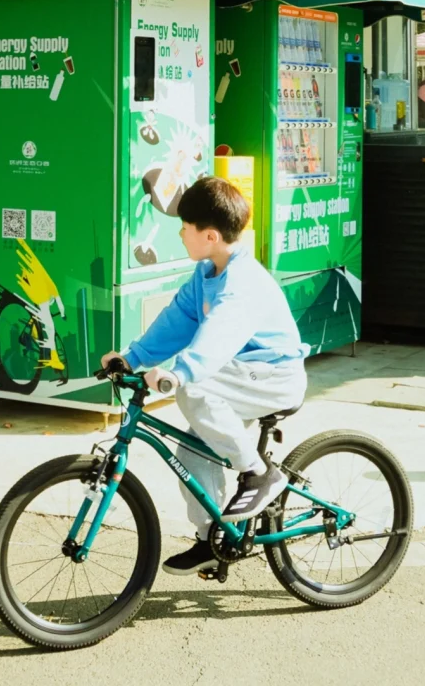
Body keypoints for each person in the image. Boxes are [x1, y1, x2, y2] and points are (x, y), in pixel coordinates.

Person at [101, 176, 306, 577]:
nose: (179, 233)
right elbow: (178, 320)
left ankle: (259, 473)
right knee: (192, 449)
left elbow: (216, 339)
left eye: (184, 227)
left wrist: (180, 374)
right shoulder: (208, 272)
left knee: (193, 389)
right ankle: (215, 536)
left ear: (209, 235)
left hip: (273, 375)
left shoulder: (241, 284)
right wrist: (133, 358)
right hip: (241, 374)